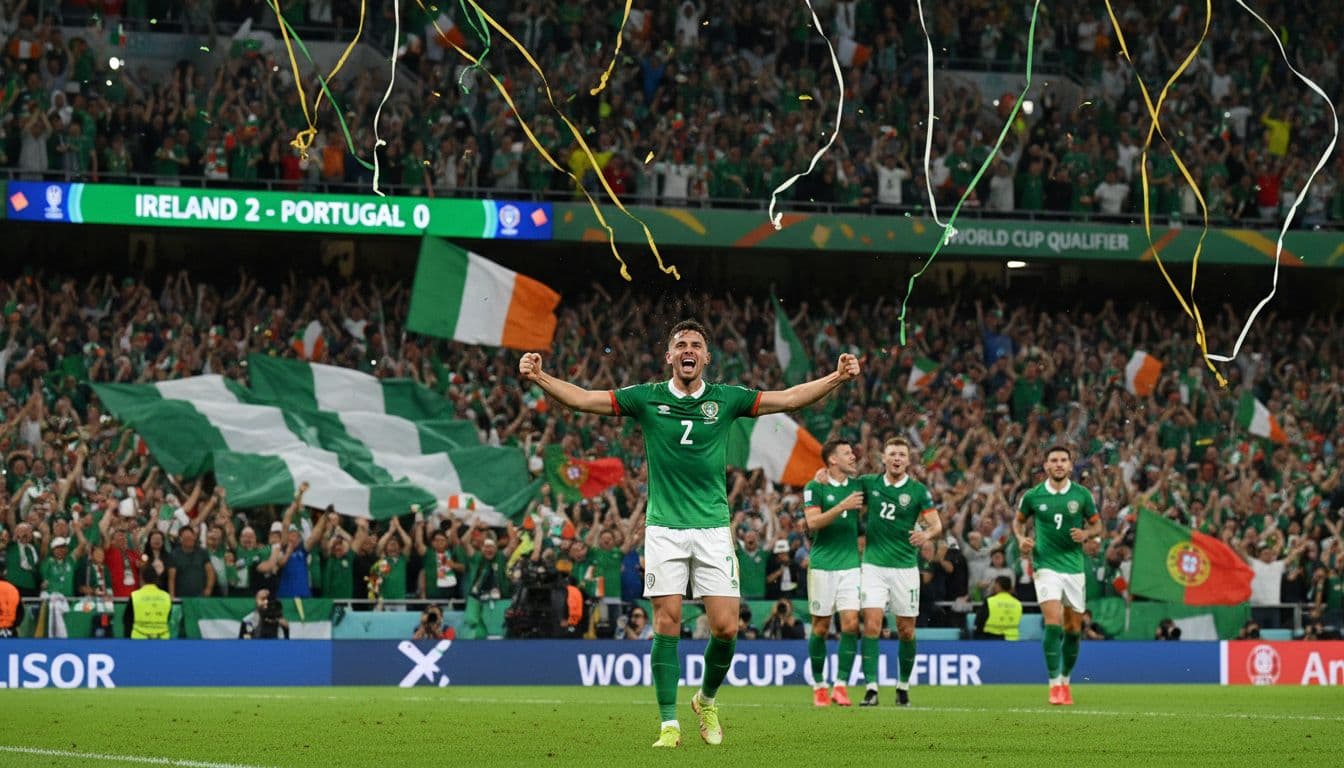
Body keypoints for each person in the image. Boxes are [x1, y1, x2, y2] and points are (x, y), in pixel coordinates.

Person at [519, 319, 859, 748]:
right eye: (681, 343)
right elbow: (585, 400)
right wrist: (539, 376)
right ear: (669, 356)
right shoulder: (646, 397)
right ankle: (668, 724)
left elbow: (789, 398)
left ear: (706, 357)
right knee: (668, 623)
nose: (688, 349)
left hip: (714, 527)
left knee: (725, 628)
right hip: (664, 528)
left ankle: (706, 698)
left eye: (696, 344)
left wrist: (838, 376)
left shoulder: (726, 398)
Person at [854, 437, 941, 706]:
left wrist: (925, 534)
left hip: (905, 567)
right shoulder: (870, 483)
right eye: (892, 453)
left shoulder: (917, 491)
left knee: (906, 630)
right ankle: (871, 688)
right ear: (884, 458)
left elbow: (936, 525)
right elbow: (844, 485)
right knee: (871, 625)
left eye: (902, 454)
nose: (897, 458)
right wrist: (824, 474)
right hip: (873, 566)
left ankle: (903, 686)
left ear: (908, 460)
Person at [1013, 445, 1102, 706]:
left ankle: (1065, 680)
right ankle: (1053, 685)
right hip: (1046, 565)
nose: (1059, 464)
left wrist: (1086, 534)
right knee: (1053, 621)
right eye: (1054, 460)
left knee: (1073, 628)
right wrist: (1021, 539)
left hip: (1074, 568)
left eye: (1064, 460)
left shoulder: (1082, 495)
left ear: (1070, 466)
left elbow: (1097, 524)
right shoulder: (1033, 496)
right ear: (1046, 466)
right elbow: (1018, 521)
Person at [801, 439, 863, 707]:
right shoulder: (815, 487)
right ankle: (819, 686)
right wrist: (841, 507)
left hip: (850, 565)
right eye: (847, 453)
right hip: (823, 565)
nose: (853, 456)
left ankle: (841, 685)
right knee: (822, 627)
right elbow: (813, 523)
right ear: (833, 460)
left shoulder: (859, 487)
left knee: (850, 624)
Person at [124, 563, 173, 639]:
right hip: (162, 638)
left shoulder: (135, 596)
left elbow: (127, 619)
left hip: (139, 639)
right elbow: (169, 617)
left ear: (142, 578)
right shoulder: (166, 596)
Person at [976, 575, 1023, 640]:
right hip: (1012, 639)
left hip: (991, 638)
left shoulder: (990, 601)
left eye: (994, 584)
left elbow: (979, 621)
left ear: (998, 585)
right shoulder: (1017, 603)